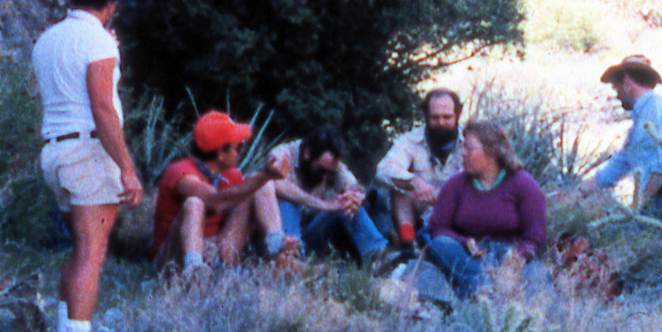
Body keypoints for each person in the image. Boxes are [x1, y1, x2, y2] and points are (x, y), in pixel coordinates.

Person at [31, 0, 142, 332]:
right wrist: (126, 167)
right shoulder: (98, 40)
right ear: (111, 6)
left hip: (54, 151)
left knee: (80, 249)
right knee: (92, 253)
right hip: (87, 151)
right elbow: (101, 107)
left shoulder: (48, 38)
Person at [150, 112, 290, 273]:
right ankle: (193, 270)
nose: (240, 153)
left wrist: (264, 179)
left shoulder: (231, 174)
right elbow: (216, 202)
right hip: (174, 255)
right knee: (194, 203)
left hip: (216, 248)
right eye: (239, 147)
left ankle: (276, 245)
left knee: (258, 184)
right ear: (221, 154)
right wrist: (264, 175)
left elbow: (243, 203)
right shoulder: (181, 173)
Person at [423, 120, 547, 298]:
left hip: (509, 254)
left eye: (469, 148)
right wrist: (464, 241)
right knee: (439, 245)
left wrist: (516, 258)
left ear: (491, 152)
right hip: (470, 256)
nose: (462, 154)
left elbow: (535, 235)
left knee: (537, 276)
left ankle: (482, 290)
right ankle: (484, 287)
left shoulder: (523, 183)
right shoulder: (455, 185)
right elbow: (437, 228)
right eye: (463, 148)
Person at [582, 54, 662, 226]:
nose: (616, 93)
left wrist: (638, 205)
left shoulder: (661, 106)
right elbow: (621, 162)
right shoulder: (640, 121)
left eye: (616, 86)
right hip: (657, 202)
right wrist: (581, 191)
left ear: (627, 82)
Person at [267, 126, 389, 264]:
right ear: (307, 154)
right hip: (283, 231)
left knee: (347, 206)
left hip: (312, 234)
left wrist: (354, 197)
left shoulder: (333, 166)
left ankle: (378, 255)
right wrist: (326, 205)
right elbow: (274, 183)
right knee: (288, 200)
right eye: (321, 171)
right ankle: (290, 257)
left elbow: (353, 185)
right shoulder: (284, 154)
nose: (325, 177)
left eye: (330, 173)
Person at [374, 88, 464, 249]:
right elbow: (384, 169)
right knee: (401, 189)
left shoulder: (472, 140)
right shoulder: (410, 140)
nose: (441, 123)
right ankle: (408, 244)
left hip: (461, 207)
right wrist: (413, 180)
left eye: (447, 117)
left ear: (458, 114)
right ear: (425, 115)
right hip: (424, 207)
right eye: (435, 118)